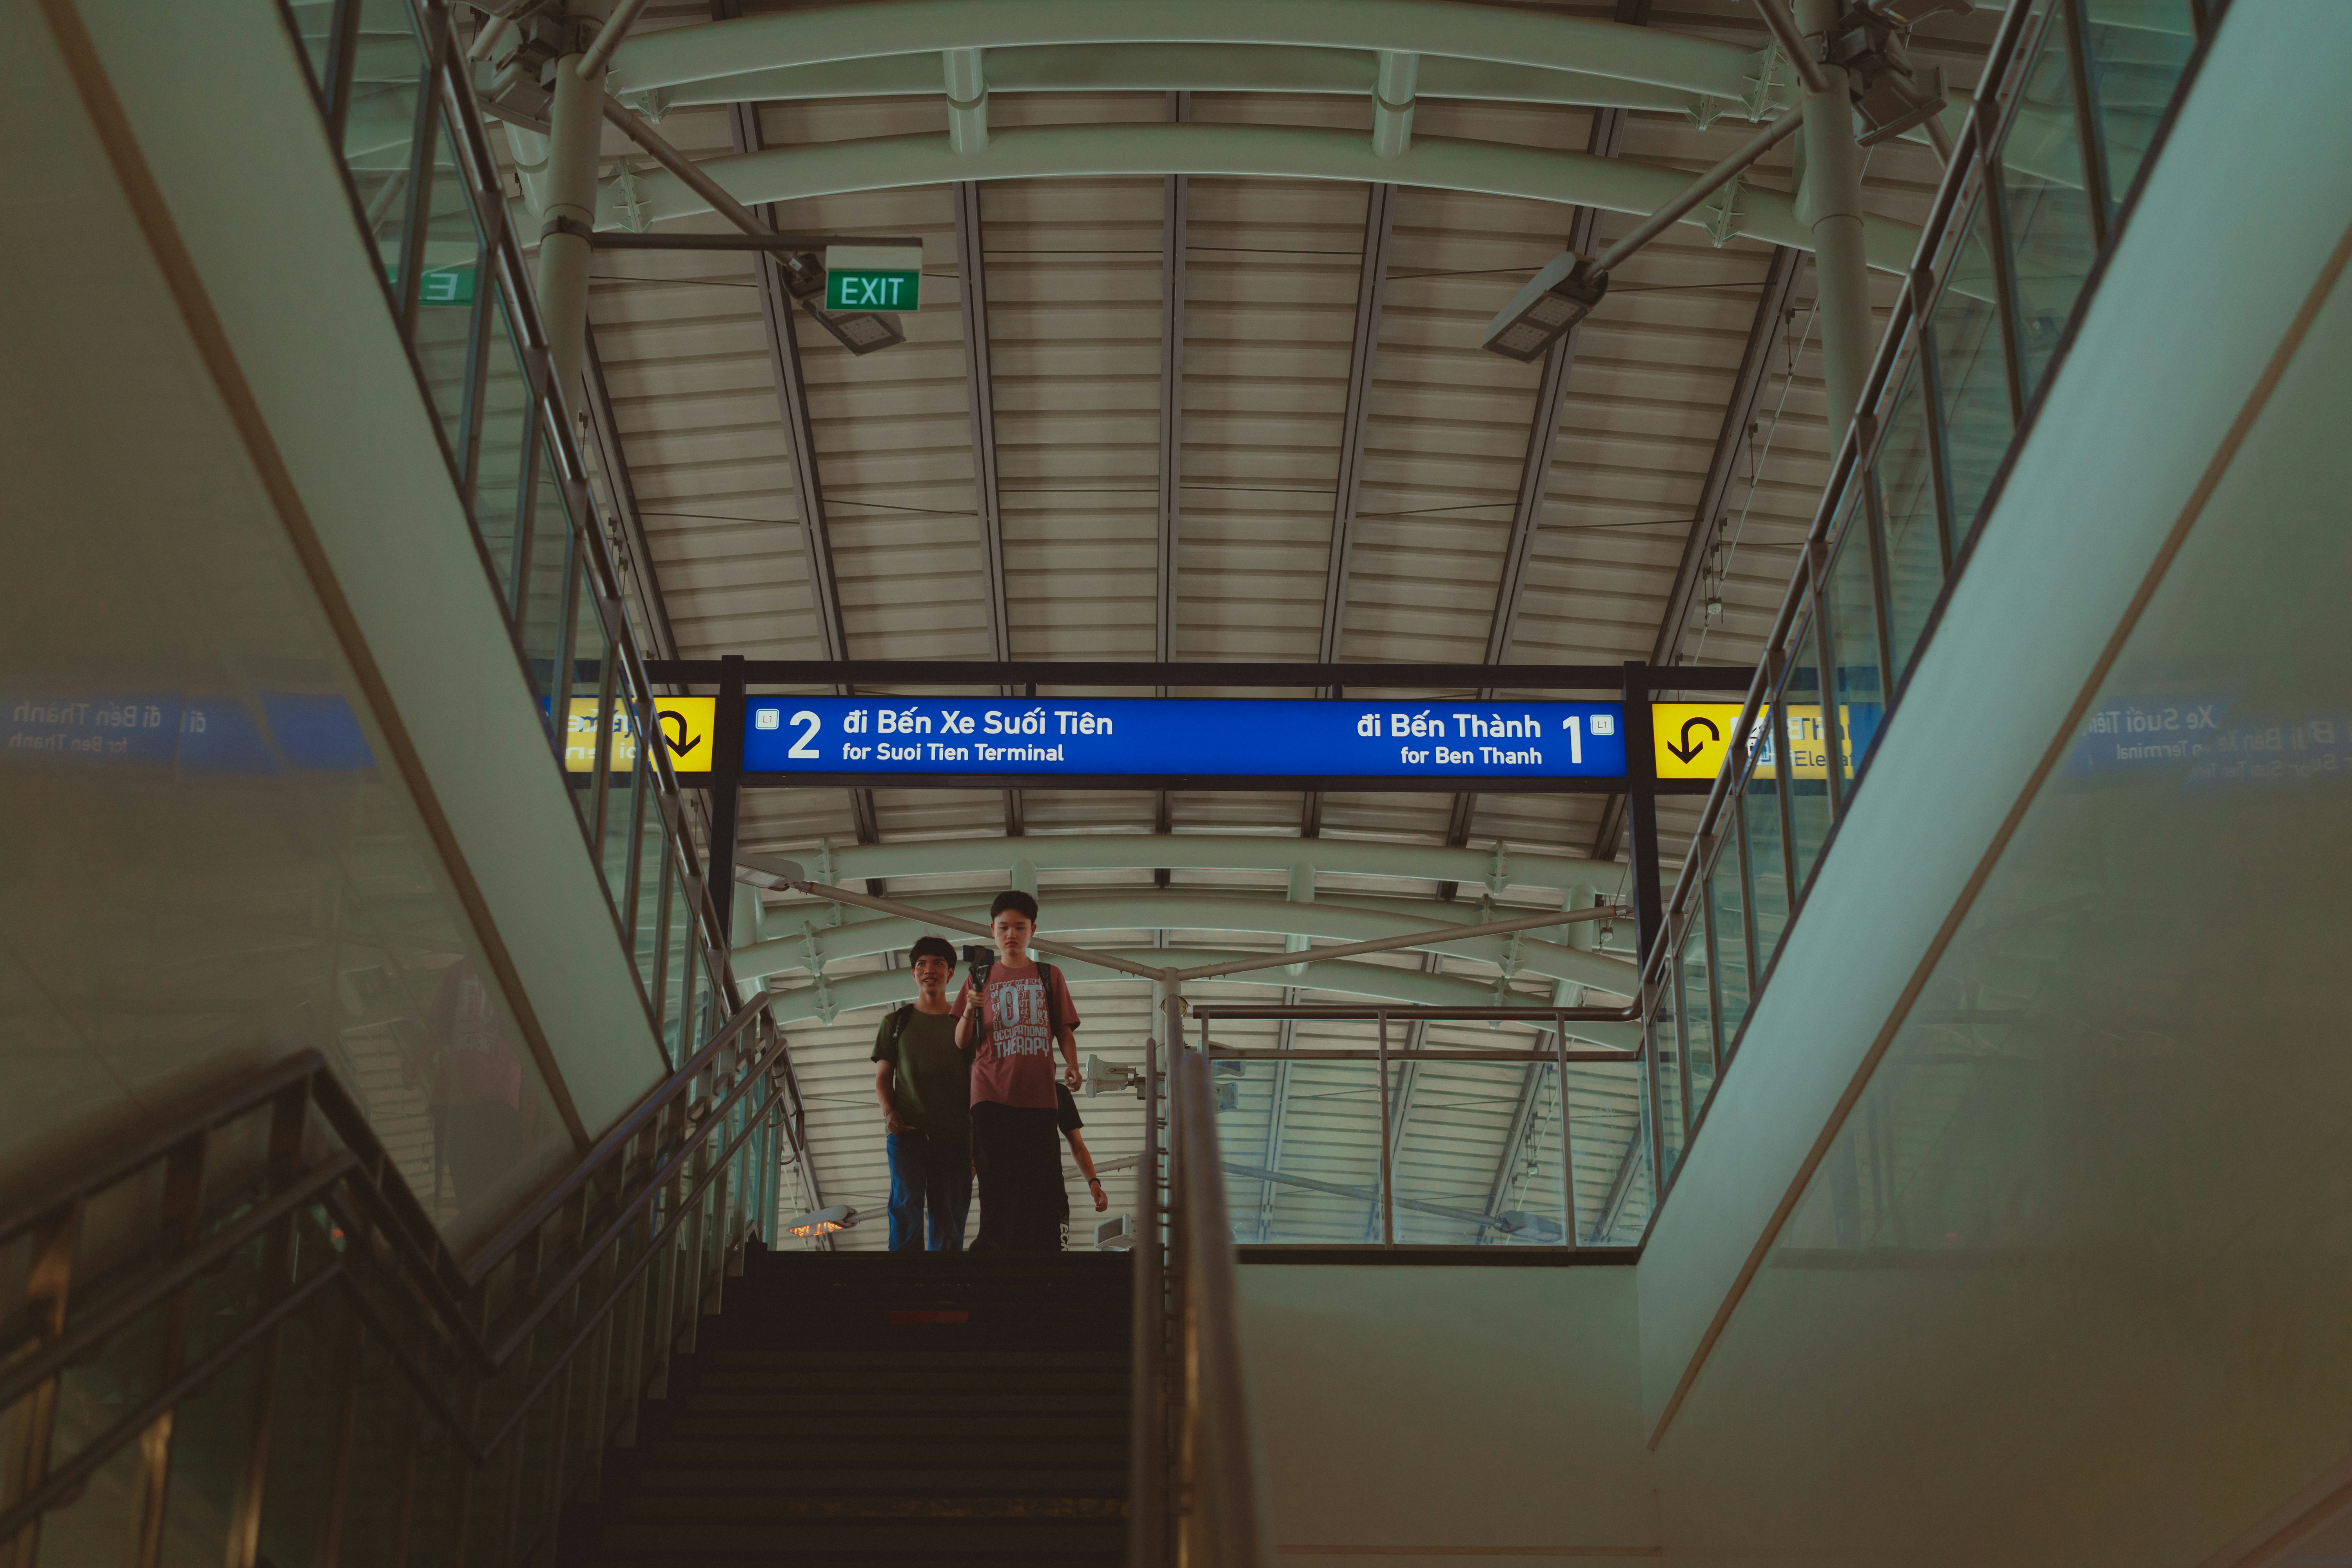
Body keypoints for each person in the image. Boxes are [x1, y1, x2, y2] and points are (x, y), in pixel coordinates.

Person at [954, 891, 1082, 1252]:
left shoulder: (1048, 975)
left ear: (1033, 931)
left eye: (1020, 928)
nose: (1011, 934)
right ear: (992, 930)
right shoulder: (979, 976)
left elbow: (1064, 1029)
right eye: (1004, 927)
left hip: (1039, 1096)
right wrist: (969, 1009)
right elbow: (961, 1042)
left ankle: (1037, 1251)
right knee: (995, 1177)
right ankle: (994, 1246)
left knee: (1038, 1178)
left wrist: (1072, 1064)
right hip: (991, 1092)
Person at [871, 936, 973, 1251]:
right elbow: (884, 1077)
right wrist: (889, 1112)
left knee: (951, 1217)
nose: (930, 970)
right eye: (922, 964)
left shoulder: (966, 1025)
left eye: (939, 963)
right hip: (908, 1134)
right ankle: (904, 1286)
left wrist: (976, 1142)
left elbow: (980, 1081)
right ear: (913, 974)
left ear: (951, 973)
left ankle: (944, 1290)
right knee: (905, 1207)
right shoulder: (896, 1022)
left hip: (955, 1138)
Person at [1052, 1082, 1109, 1248]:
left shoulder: (1058, 1092)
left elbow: (1078, 1146)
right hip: (1013, 1200)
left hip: (1052, 1199)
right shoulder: (1002, 1090)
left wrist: (1094, 1182)